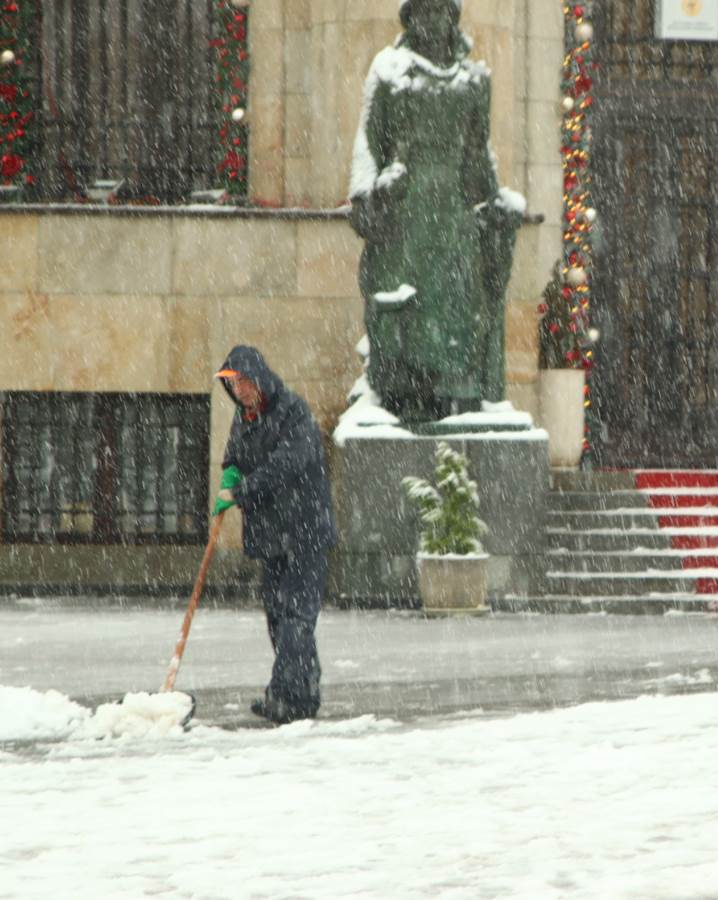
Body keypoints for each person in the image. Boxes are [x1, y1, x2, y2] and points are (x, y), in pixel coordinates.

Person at [348, 0, 523, 421]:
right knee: (404, 304)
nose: (430, 21)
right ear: (409, 19)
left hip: (453, 211)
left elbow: (480, 153)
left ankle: (456, 392)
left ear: (452, 16)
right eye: (421, 12)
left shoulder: (473, 79)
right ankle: (398, 391)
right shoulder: (389, 69)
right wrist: (366, 191)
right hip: (406, 207)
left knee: (457, 305)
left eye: (438, 11)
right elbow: (368, 141)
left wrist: (495, 200)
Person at [213, 345, 337, 724]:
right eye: (234, 385)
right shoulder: (245, 418)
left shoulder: (292, 411)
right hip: (272, 536)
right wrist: (231, 472)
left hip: (305, 532)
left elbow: (290, 461)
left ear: (261, 379)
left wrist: (244, 490)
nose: (241, 391)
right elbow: (235, 455)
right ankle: (299, 695)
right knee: (278, 617)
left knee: (297, 618)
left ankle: (287, 698)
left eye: (245, 383)